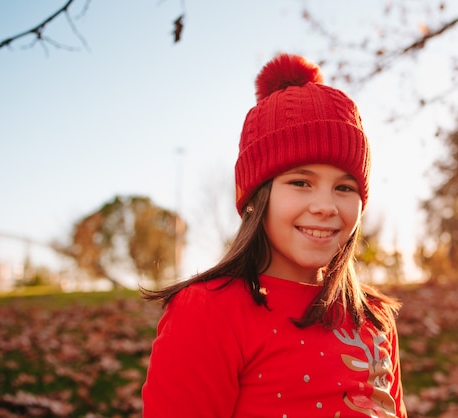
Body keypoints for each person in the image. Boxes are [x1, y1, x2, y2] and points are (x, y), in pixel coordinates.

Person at [141, 53, 407, 418]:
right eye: (301, 182)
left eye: (345, 188)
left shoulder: (373, 319)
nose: (325, 206)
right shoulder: (207, 313)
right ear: (256, 196)